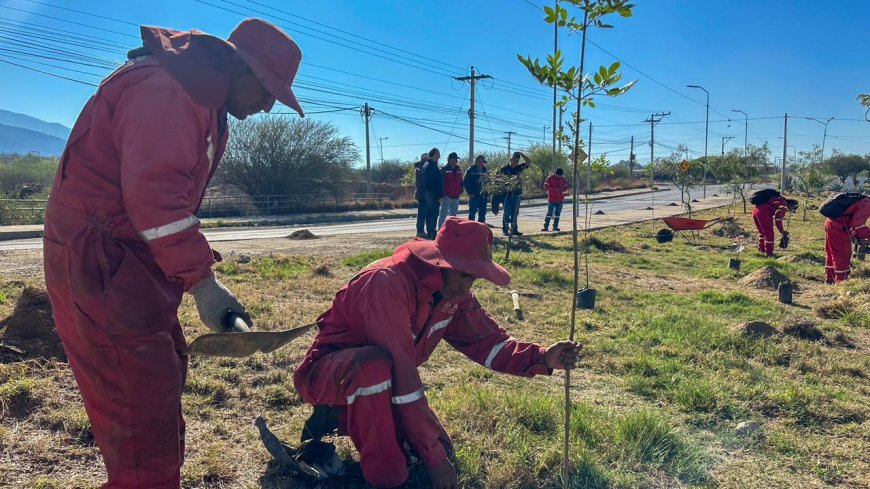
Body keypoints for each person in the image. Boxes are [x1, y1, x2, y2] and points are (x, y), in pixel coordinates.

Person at [41, 19, 304, 488]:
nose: (267, 106)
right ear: (238, 65)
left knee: (156, 389)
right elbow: (156, 196)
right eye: (267, 89)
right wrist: (202, 282)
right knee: (141, 414)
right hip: (100, 259)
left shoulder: (197, 93)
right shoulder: (167, 89)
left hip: (127, 258)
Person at [293, 217, 581, 489]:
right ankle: (386, 476)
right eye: (466, 275)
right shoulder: (385, 283)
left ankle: (345, 423)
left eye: (475, 278)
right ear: (439, 263)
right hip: (329, 377)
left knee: (440, 448)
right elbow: (401, 371)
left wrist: (542, 357)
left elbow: (489, 342)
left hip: (388, 380)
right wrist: (434, 460)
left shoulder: (453, 292)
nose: (469, 286)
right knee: (375, 369)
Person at [824, 195, 870, 283]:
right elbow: (858, 226)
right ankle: (842, 281)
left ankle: (830, 278)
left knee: (831, 252)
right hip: (839, 226)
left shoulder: (862, 200)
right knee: (842, 254)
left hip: (830, 222)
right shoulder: (867, 204)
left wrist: (856, 235)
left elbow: (852, 220)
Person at [752, 191, 796, 257]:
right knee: (769, 234)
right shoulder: (784, 205)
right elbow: (778, 219)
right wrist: (782, 231)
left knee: (762, 233)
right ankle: (769, 254)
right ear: (791, 205)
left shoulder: (778, 199)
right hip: (764, 212)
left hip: (755, 210)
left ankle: (761, 250)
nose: (790, 210)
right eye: (792, 209)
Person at [499, 151, 531, 236]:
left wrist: (521, 154)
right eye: (514, 160)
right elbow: (497, 179)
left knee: (515, 213)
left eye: (517, 161)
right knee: (507, 212)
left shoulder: (519, 168)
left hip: (516, 194)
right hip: (507, 194)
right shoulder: (504, 169)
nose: (515, 162)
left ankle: (514, 229)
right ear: (510, 159)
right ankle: (505, 229)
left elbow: (528, 162)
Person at [421, 148, 443, 239]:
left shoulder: (427, 165)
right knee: (433, 213)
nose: (439, 156)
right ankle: (432, 233)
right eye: (438, 154)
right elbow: (435, 182)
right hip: (432, 193)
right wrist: (439, 195)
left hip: (428, 192)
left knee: (429, 213)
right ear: (433, 155)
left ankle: (430, 232)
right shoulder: (431, 166)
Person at [437, 152, 463, 229]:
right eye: (455, 159)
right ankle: (440, 229)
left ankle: (452, 230)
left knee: (453, 215)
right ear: (450, 159)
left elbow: (461, 181)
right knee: (443, 214)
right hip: (447, 196)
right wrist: (442, 194)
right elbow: (441, 183)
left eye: (456, 159)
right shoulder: (444, 169)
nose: (456, 161)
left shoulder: (458, 170)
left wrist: (460, 191)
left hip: (456, 196)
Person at [542, 168, 569, 232]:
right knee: (549, 212)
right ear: (555, 173)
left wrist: (562, 189)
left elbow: (566, 187)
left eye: (560, 175)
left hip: (560, 199)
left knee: (557, 213)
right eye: (558, 175)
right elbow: (546, 186)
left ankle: (555, 226)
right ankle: (546, 226)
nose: (559, 176)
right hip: (551, 198)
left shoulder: (563, 179)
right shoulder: (550, 178)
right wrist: (554, 188)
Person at [464, 155, 489, 223]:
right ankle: (471, 230)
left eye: (483, 162)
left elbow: (488, 182)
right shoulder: (470, 170)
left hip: (483, 196)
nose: (481, 163)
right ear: (476, 161)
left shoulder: (485, 170)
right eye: (480, 161)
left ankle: (480, 230)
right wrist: (470, 193)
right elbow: (466, 182)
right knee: (472, 214)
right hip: (474, 196)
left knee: (482, 214)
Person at [414, 152, 429, 238]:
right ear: (424, 159)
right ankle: (420, 230)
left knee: (425, 213)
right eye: (427, 158)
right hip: (422, 194)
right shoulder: (420, 167)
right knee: (422, 213)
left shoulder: (422, 167)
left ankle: (423, 230)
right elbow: (423, 180)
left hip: (425, 194)